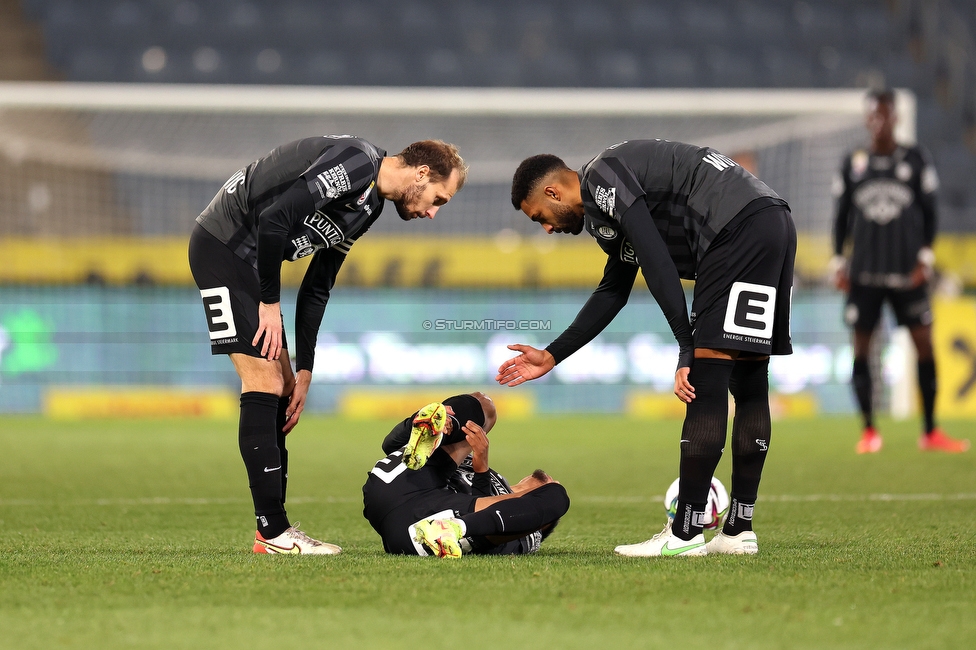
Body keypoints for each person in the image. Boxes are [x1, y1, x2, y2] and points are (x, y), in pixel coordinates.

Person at [499, 141, 796, 557]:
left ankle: (686, 533)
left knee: (706, 382)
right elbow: (613, 290)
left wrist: (686, 347)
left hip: (731, 230)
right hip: (769, 220)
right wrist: (553, 354)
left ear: (553, 193)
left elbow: (656, 260)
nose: (546, 228)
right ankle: (738, 530)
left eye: (540, 218)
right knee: (749, 380)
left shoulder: (602, 176)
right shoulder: (607, 206)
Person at [188, 136, 467, 554]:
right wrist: (268, 302)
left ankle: (273, 533)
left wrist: (305, 369)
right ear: (422, 173)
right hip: (224, 248)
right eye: (438, 198)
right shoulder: (357, 162)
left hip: (249, 263)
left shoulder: (368, 206)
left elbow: (318, 286)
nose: (432, 212)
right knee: (263, 380)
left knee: (281, 385)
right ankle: (273, 533)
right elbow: (274, 220)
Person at [831, 89, 969, 455]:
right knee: (862, 349)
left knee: (924, 344)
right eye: (872, 115)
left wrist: (925, 259)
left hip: (907, 274)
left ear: (895, 118)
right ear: (866, 119)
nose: (878, 121)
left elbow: (930, 213)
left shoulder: (916, 159)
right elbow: (840, 217)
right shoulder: (853, 162)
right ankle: (869, 430)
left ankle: (930, 430)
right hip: (864, 275)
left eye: (884, 114)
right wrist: (836, 260)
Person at [362, 392, 570, 558]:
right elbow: (390, 447)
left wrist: (482, 470)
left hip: (418, 522)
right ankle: (441, 422)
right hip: (409, 481)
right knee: (486, 407)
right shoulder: (495, 480)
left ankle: (455, 528)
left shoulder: (526, 529)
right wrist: (481, 468)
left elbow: (489, 535)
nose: (551, 479)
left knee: (558, 497)